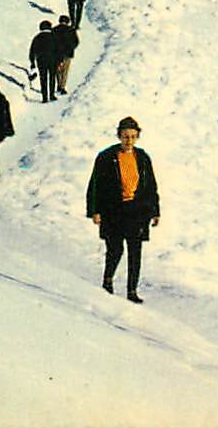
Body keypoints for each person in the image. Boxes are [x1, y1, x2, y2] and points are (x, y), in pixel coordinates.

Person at [86, 116, 159, 303]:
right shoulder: (106, 157)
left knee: (135, 251)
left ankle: (132, 290)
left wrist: (155, 210)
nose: (129, 141)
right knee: (115, 249)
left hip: (137, 211)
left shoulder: (142, 158)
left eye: (133, 137)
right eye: (126, 136)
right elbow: (95, 185)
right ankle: (108, 280)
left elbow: (151, 185)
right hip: (113, 211)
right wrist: (95, 210)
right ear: (119, 136)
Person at [28, 20, 61, 102]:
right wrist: (59, 60)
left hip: (41, 60)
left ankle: (44, 97)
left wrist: (32, 62)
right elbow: (59, 50)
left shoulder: (37, 37)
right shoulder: (54, 37)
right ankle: (52, 95)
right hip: (53, 60)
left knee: (43, 78)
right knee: (52, 77)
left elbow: (32, 51)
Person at [52, 15, 80, 95]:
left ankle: (58, 84)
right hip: (67, 53)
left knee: (58, 69)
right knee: (65, 70)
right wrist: (71, 48)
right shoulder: (71, 30)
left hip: (57, 53)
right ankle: (62, 86)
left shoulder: (54, 29)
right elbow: (76, 42)